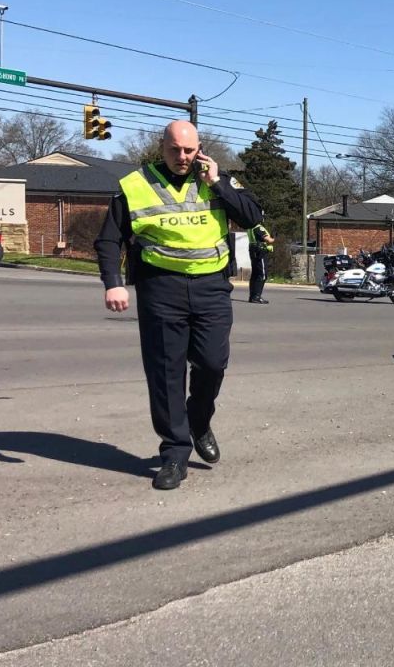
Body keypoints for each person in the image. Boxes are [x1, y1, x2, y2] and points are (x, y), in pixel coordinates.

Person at [95, 120, 263, 490]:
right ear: (162, 147)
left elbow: (252, 217)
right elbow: (108, 240)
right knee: (166, 372)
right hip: (161, 288)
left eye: (189, 150)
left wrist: (218, 182)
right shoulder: (135, 185)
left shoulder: (218, 180)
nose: (182, 157)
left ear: (199, 148)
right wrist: (114, 284)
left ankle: (198, 421)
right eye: (175, 150)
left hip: (211, 288)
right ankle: (174, 452)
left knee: (212, 363)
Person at [247, 221, 275, 304]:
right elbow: (269, 240)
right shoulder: (258, 227)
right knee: (262, 275)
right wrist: (273, 236)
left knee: (255, 275)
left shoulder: (250, 227)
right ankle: (256, 297)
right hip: (260, 253)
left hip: (253, 251)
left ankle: (252, 296)